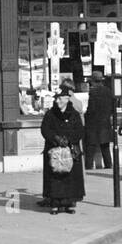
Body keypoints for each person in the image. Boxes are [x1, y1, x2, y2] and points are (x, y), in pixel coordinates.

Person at [40, 84, 86, 213]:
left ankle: (69, 203)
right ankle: (55, 203)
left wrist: (69, 140)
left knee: (70, 177)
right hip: (54, 150)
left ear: (67, 99)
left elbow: (80, 130)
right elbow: (45, 129)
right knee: (55, 176)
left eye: (60, 98)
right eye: (56, 98)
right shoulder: (50, 114)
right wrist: (56, 138)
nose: (57, 101)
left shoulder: (74, 114)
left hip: (70, 151)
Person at [83, 70, 114, 170]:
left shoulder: (93, 91)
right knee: (105, 146)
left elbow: (91, 109)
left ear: (93, 81)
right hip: (105, 122)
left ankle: (88, 166)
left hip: (93, 123)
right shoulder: (108, 91)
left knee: (91, 146)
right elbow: (112, 107)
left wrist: (86, 116)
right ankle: (109, 165)